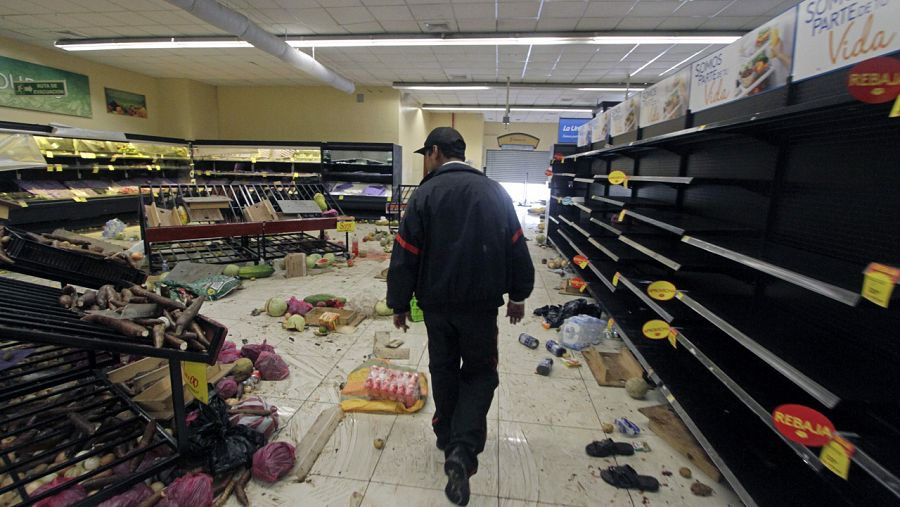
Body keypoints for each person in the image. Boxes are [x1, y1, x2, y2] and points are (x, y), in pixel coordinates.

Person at [387, 127, 535, 506]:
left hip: (436, 306)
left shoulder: (424, 195)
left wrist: (399, 303)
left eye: (425, 154)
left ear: (435, 152)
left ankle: (445, 435)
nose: (425, 160)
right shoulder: (495, 192)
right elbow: (516, 246)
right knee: (481, 373)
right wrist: (518, 295)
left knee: (443, 367)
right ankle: (463, 450)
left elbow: (405, 254)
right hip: (481, 307)